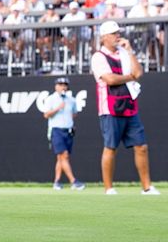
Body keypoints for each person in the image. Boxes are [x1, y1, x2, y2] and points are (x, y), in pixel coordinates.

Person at [90, 20, 160, 195]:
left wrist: (129, 51)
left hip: (130, 105)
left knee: (141, 146)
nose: (117, 36)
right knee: (110, 147)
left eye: (118, 33)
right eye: (113, 33)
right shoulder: (98, 56)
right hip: (110, 108)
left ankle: (147, 187)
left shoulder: (124, 52)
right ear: (104, 37)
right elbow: (110, 80)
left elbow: (139, 73)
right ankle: (109, 189)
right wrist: (130, 77)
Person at [43, 77, 85, 191]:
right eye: (60, 84)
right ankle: (74, 181)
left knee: (61, 158)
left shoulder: (71, 99)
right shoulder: (50, 99)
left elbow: (74, 113)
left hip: (68, 131)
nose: (63, 87)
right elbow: (46, 114)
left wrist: (69, 122)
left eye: (65, 85)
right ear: (56, 86)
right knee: (64, 155)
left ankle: (56, 182)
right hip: (56, 130)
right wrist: (57, 108)